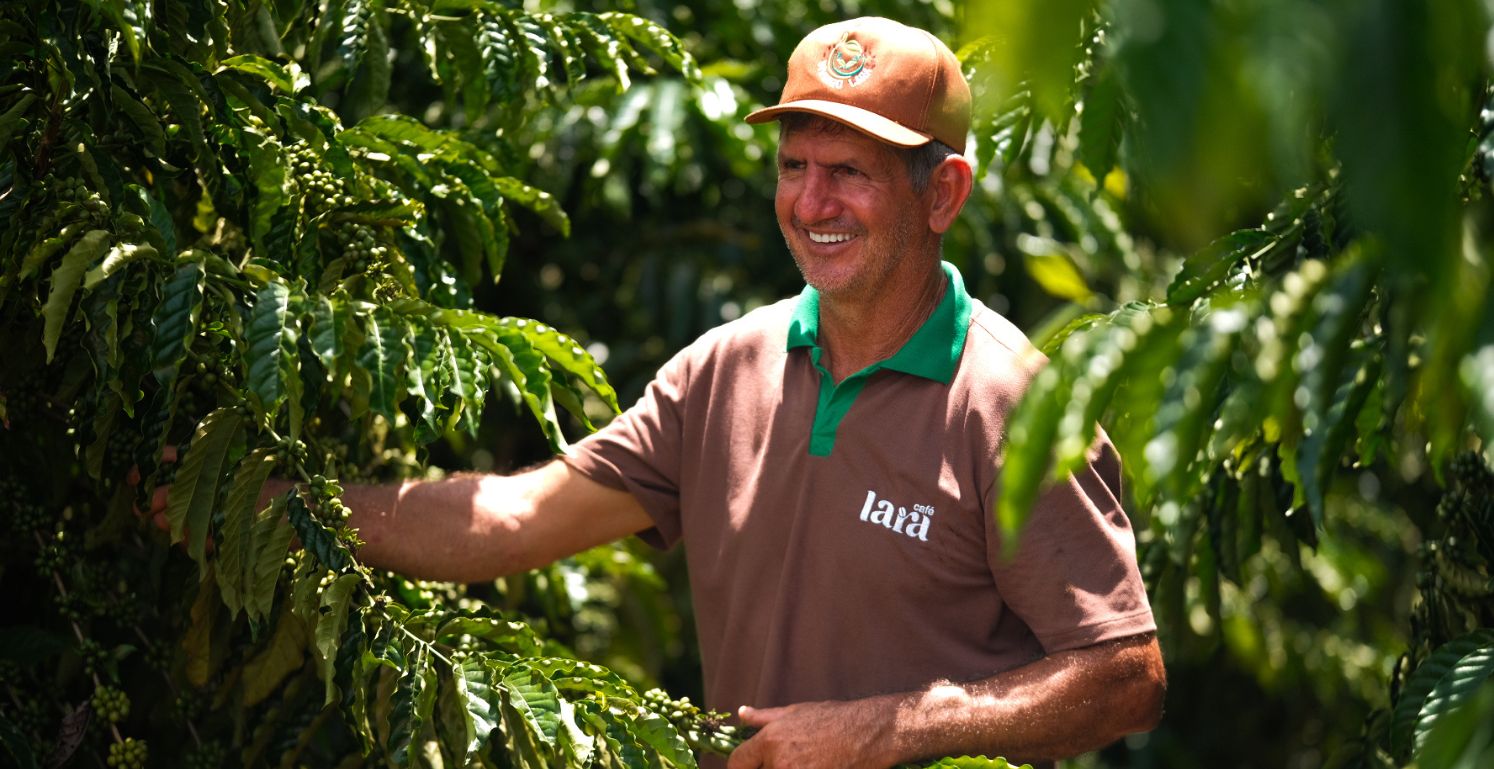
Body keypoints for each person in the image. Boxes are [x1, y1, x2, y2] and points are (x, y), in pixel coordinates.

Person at [151, 16, 1164, 769]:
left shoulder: (1013, 405)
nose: (812, 204)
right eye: (794, 166)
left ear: (941, 193)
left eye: (848, 172)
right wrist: (280, 510)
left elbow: (1125, 677)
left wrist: (882, 730)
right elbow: (512, 519)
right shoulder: (728, 368)